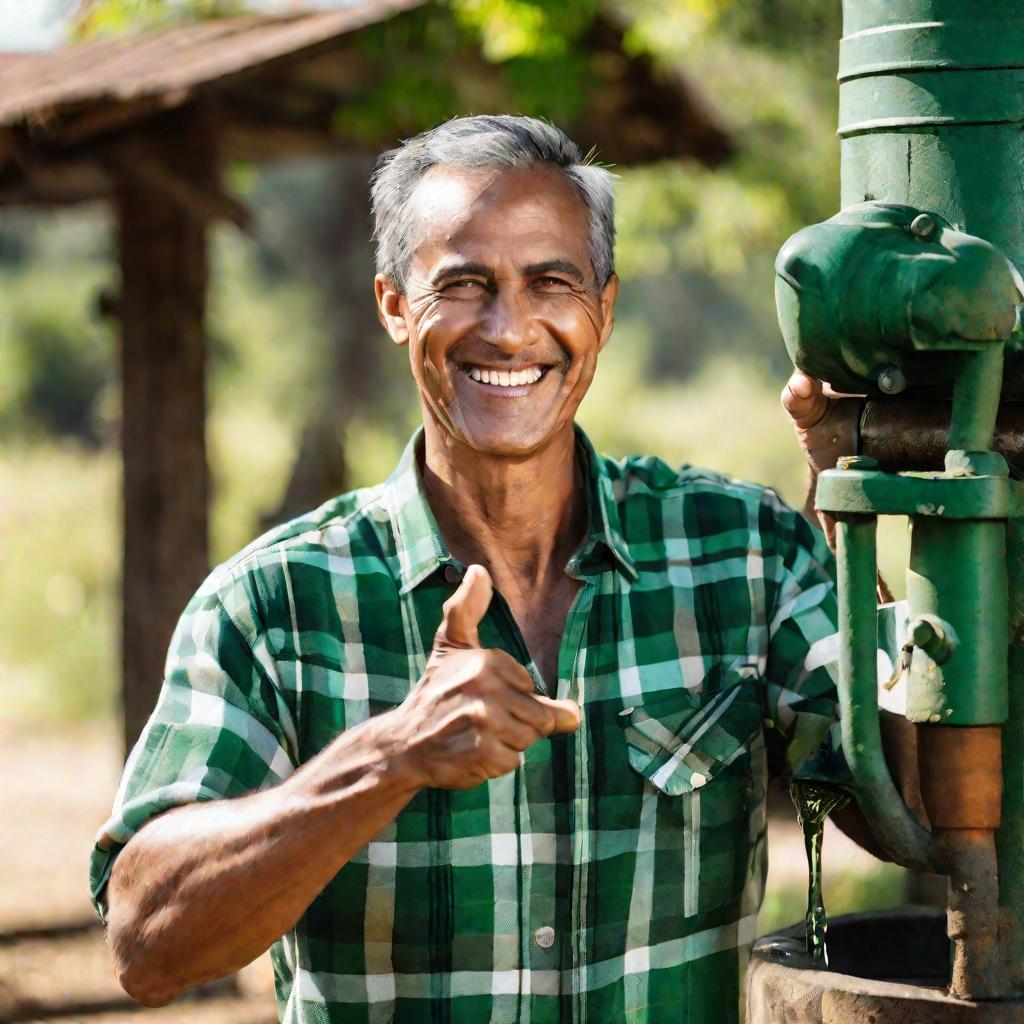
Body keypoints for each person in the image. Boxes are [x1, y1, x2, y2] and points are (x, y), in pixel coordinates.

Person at [89, 115, 874, 1024]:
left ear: (604, 310)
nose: (509, 329)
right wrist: (387, 757)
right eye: (464, 284)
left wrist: (859, 504)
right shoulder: (272, 604)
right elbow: (147, 947)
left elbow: (919, 817)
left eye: (551, 282)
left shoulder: (742, 555)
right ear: (392, 306)